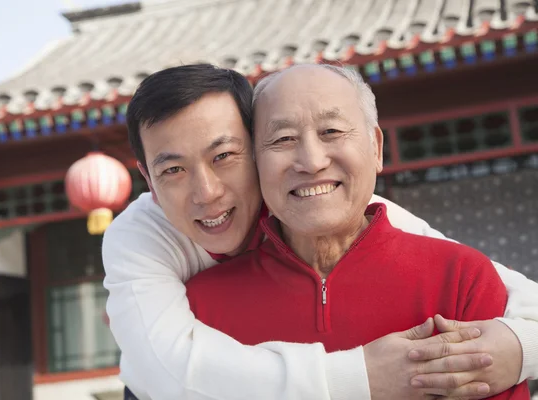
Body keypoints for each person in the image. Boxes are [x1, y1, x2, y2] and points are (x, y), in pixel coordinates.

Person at [102, 64, 538, 400]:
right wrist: (363, 376)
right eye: (173, 169)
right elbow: (164, 371)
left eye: (224, 156)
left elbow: (502, 291)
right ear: (147, 179)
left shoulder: (344, 208)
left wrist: (518, 348)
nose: (207, 192)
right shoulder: (142, 239)